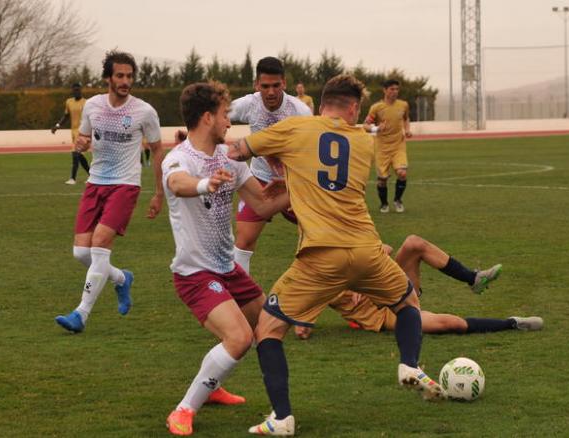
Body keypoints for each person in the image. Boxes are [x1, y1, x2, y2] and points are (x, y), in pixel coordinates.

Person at [228, 74, 444, 436]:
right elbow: (329, 175)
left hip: (321, 255)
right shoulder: (363, 142)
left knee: (268, 329)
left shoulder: (295, 128)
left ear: (322, 100)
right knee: (408, 302)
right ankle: (409, 364)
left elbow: (238, 151)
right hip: (367, 250)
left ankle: (281, 419)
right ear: (355, 108)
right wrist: (294, 172)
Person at [162, 81, 290, 436]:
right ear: (207, 117)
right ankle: (183, 409)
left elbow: (263, 204)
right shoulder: (180, 157)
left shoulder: (229, 159)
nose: (228, 123)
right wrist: (206, 184)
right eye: (224, 115)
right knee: (239, 338)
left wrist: (298, 189)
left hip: (227, 269)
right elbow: (177, 184)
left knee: (269, 326)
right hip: (195, 274)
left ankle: (217, 384)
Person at [54, 51, 165, 333]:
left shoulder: (144, 111)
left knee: (100, 245)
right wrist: (81, 143)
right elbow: (85, 136)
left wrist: (158, 193)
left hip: (125, 185)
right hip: (95, 183)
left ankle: (81, 314)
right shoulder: (93, 106)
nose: (126, 81)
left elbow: (157, 149)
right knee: (81, 253)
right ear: (108, 78)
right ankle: (121, 279)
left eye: (129, 76)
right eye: (120, 76)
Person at [174, 57, 310, 274]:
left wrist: (294, 182)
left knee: (319, 234)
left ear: (284, 83)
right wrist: (190, 133)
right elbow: (213, 113)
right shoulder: (249, 104)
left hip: (293, 181)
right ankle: (241, 293)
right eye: (265, 86)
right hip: (258, 179)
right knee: (244, 240)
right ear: (257, 85)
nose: (271, 92)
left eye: (276, 85)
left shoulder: (300, 112)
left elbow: (310, 152)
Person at [293, 235, 543, 340]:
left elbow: (386, 249)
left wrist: (358, 276)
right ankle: (512, 322)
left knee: (414, 244)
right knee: (449, 324)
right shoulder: (315, 273)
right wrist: (302, 324)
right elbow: (301, 326)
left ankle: (473, 279)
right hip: (386, 315)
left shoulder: (346, 241)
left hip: (394, 286)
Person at [363, 79, 412, 213]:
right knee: (382, 179)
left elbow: (406, 118)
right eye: (392, 89)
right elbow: (365, 126)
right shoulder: (376, 107)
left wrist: (407, 130)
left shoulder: (403, 105)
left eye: (397, 89)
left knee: (402, 173)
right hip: (382, 148)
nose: (395, 92)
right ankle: (384, 204)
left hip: (398, 146)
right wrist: (377, 128)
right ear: (385, 90)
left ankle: (397, 200)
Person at [52, 82, 90, 185]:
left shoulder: (87, 103)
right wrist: (57, 126)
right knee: (79, 156)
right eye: (74, 90)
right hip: (73, 132)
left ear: (81, 90)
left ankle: (73, 178)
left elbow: (91, 118)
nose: (76, 91)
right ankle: (92, 176)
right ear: (72, 91)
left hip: (83, 133)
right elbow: (66, 116)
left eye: (78, 90)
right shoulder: (69, 102)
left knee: (75, 155)